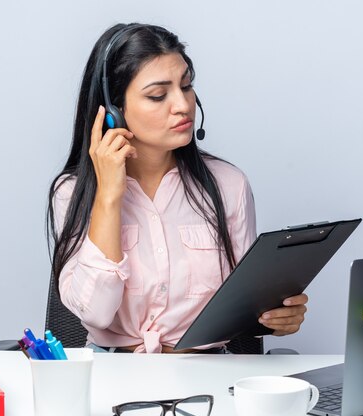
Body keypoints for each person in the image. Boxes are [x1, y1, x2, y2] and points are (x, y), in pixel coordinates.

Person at [47, 23, 308, 353]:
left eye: (186, 86)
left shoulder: (229, 185)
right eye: (158, 95)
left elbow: (247, 308)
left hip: (207, 376)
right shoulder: (72, 193)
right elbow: (96, 313)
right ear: (114, 111)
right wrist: (109, 197)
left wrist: (277, 317)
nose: (182, 105)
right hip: (112, 373)